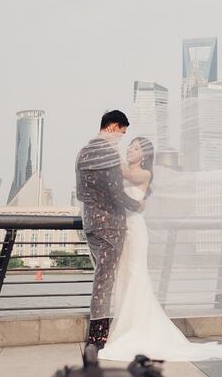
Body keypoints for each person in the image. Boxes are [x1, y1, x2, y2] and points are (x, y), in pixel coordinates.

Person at [99, 137, 222, 362]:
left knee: (136, 275)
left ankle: (135, 329)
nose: (131, 149)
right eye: (130, 145)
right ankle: (124, 327)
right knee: (124, 279)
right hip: (122, 231)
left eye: (136, 148)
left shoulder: (144, 174)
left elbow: (126, 174)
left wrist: (110, 148)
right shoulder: (125, 174)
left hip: (136, 231)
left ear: (145, 156)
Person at [75, 110, 145, 362]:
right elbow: (116, 192)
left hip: (91, 223)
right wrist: (137, 206)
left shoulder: (83, 151)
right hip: (111, 226)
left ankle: (101, 332)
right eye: (122, 133)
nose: (122, 139)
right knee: (105, 279)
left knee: (102, 275)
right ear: (114, 127)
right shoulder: (108, 152)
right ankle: (97, 337)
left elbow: (81, 192)